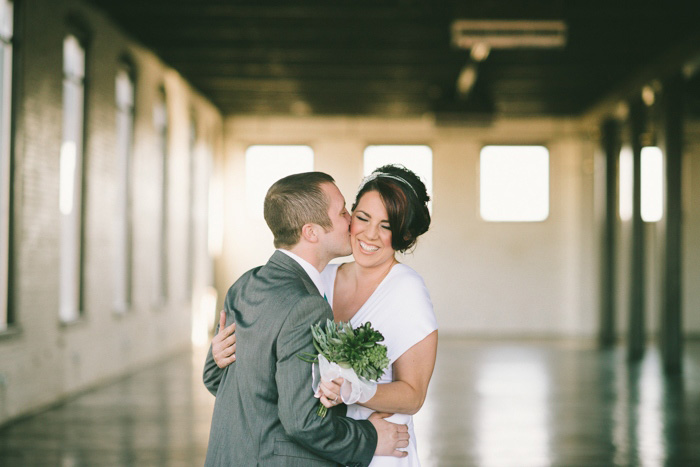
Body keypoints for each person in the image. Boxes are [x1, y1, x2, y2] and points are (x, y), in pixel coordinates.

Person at [212, 165, 438, 466]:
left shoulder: (407, 290)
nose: (370, 234)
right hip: (321, 449)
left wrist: (354, 390)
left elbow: (414, 395)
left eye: (386, 225)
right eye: (361, 217)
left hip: (381, 444)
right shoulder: (319, 280)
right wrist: (221, 358)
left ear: (403, 234)